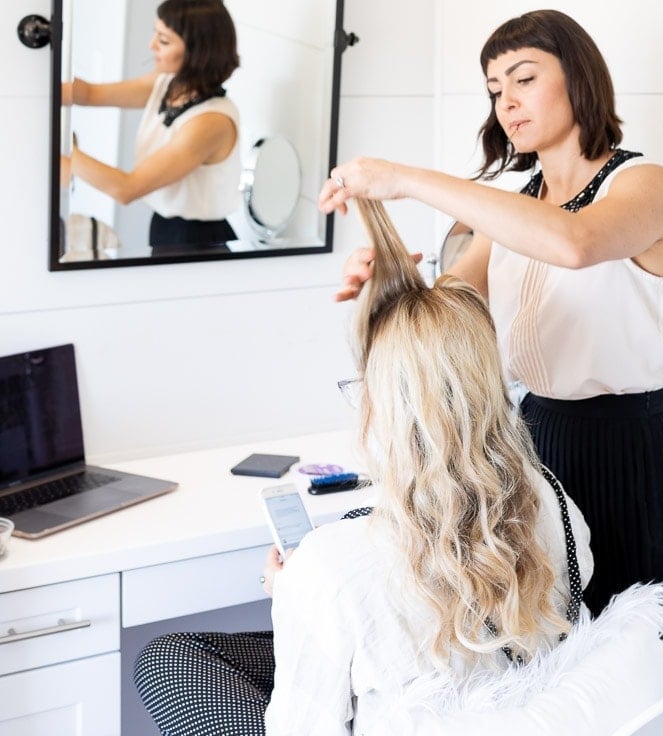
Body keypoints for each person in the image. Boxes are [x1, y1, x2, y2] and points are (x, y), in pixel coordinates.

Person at [318, 9, 663, 736]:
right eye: (493, 87)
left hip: (637, 455)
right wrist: (387, 280)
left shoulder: (647, 186)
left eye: (524, 78)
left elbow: (576, 244)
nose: (505, 100)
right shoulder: (514, 208)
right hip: (531, 451)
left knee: (655, 677)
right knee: (555, 683)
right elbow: (453, 310)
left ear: (582, 81)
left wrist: (406, 180)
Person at [133, 196, 593, 735]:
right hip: (506, 708)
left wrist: (296, 600)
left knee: (167, 660)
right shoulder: (556, 504)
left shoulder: (330, 570)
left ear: (384, 407)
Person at [62, 0, 241, 253]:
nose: (151, 45)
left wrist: (64, 152)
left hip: (197, 242)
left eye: (164, 40)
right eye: (155, 34)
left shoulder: (210, 121)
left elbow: (127, 189)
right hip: (165, 229)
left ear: (197, 51)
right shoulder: (167, 84)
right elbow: (89, 93)